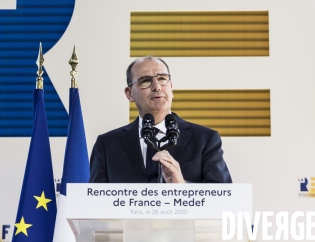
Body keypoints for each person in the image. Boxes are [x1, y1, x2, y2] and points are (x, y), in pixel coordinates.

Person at [89, 56, 232, 183]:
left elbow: (224, 199)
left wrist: (183, 187)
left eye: (163, 79)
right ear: (129, 94)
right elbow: (93, 203)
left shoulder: (205, 139)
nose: (157, 87)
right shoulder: (107, 145)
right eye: (145, 81)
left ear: (171, 87)